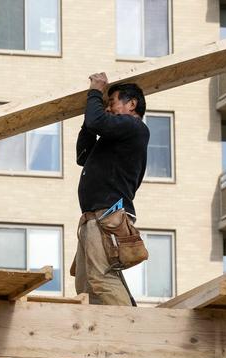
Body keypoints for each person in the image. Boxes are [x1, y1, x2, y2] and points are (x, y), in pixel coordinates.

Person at [73, 73, 150, 306]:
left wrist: (96, 92)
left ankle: (129, 330)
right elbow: (82, 156)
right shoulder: (116, 138)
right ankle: (102, 338)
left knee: (101, 278)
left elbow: (98, 122)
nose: (108, 108)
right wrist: (90, 122)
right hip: (93, 217)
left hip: (108, 215)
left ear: (132, 104)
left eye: (112, 102)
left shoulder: (134, 126)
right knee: (86, 286)